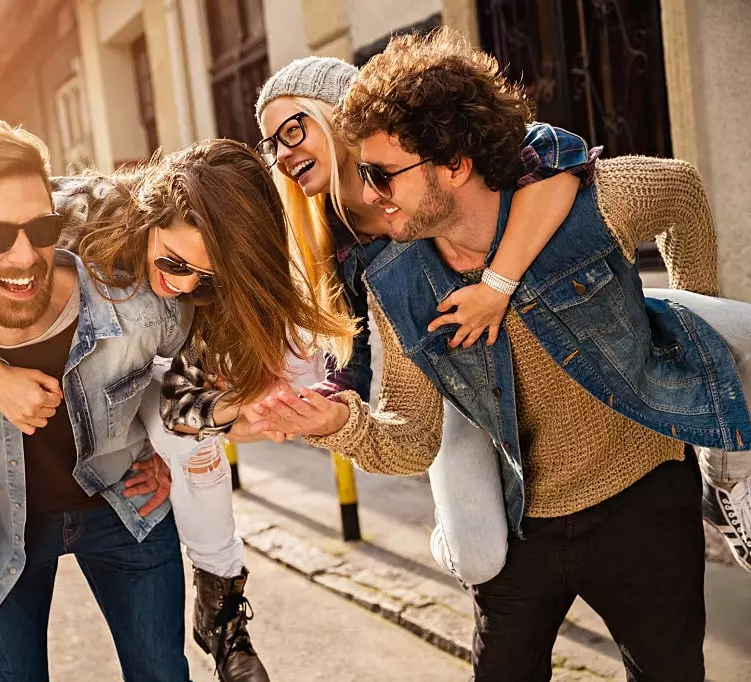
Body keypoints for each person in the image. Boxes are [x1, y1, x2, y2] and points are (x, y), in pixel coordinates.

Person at [247, 28, 751, 681]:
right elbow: (411, 438)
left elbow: (679, 192)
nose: (367, 197)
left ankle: (726, 466)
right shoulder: (394, 281)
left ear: (454, 164)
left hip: (645, 500)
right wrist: (336, 424)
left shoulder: (588, 203)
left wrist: (686, 317)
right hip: (522, 526)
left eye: (381, 176)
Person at [0, 122, 351, 681]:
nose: (181, 286)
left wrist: (231, 415)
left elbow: (182, 400)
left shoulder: (162, 302)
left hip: (120, 494)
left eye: (204, 279)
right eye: (174, 264)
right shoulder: (69, 213)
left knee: (188, 449)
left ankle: (223, 611)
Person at [182, 54, 593, 585]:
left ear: (333, 114)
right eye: (273, 144)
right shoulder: (332, 240)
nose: (283, 155)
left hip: (548, 349)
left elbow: (563, 154)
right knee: (476, 557)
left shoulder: (438, 157)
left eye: (292, 130)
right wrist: (310, 410)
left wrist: (497, 285)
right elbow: (347, 359)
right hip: (449, 390)